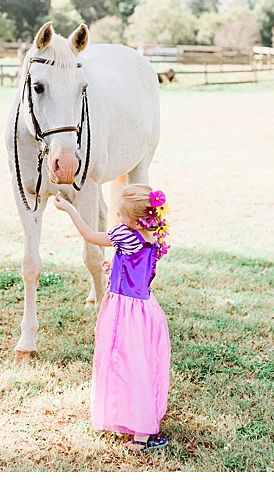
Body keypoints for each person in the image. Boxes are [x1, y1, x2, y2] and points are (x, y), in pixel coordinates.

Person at [54, 185, 174, 452]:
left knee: (127, 365)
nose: (118, 217)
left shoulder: (125, 234)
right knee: (142, 365)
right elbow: (137, 267)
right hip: (145, 310)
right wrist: (116, 265)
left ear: (132, 220)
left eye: (120, 214)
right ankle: (139, 421)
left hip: (125, 313)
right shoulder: (152, 236)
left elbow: (89, 235)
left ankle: (141, 436)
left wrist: (69, 209)